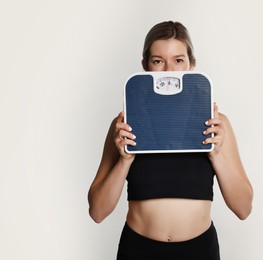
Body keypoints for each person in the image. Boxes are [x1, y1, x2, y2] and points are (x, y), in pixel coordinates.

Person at [88, 21, 253, 260]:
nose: (168, 70)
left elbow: (244, 209)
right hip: (138, 250)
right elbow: (97, 212)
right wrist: (124, 161)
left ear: (191, 65)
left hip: (200, 251)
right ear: (145, 66)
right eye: (158, 61)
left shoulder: (216, 124)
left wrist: (216, 155)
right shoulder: (125, 124)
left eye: (178, 60)